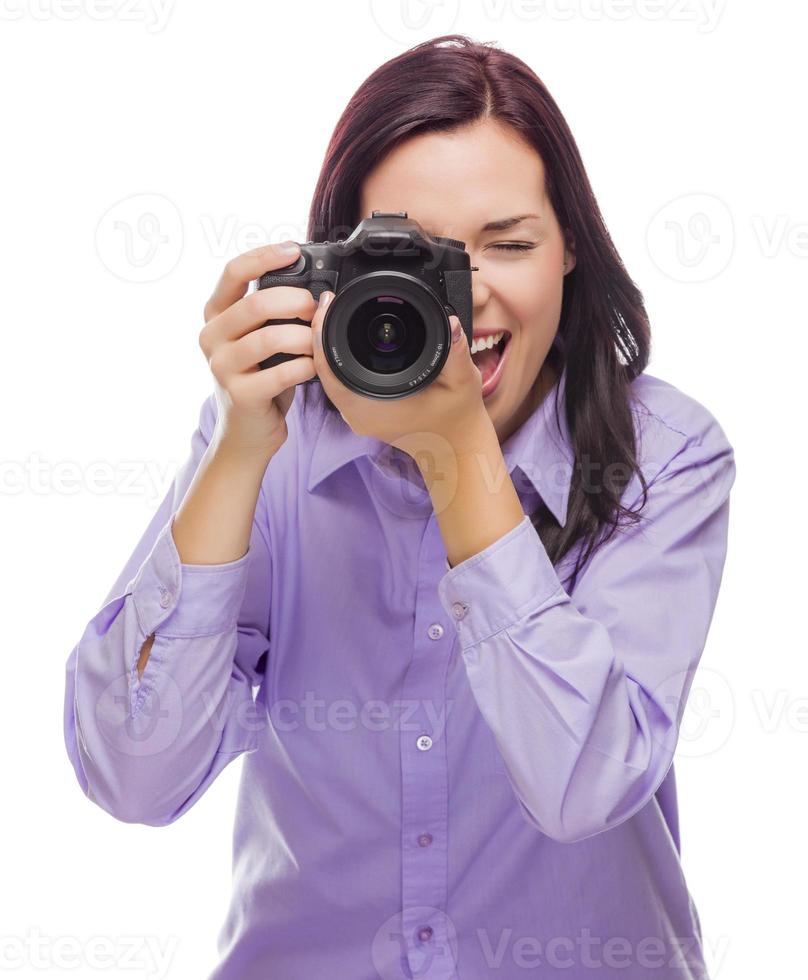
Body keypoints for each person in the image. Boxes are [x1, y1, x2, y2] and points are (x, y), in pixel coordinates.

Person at [63, 34, 736, 980]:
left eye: (509, 245)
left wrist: (458, 454)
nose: (465, 301)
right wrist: (236, 452)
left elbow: (586, 783)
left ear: (573, 246)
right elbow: (133, 778)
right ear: (338, 267)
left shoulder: (663, 456)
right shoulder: (273, 449)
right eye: (419, 261)